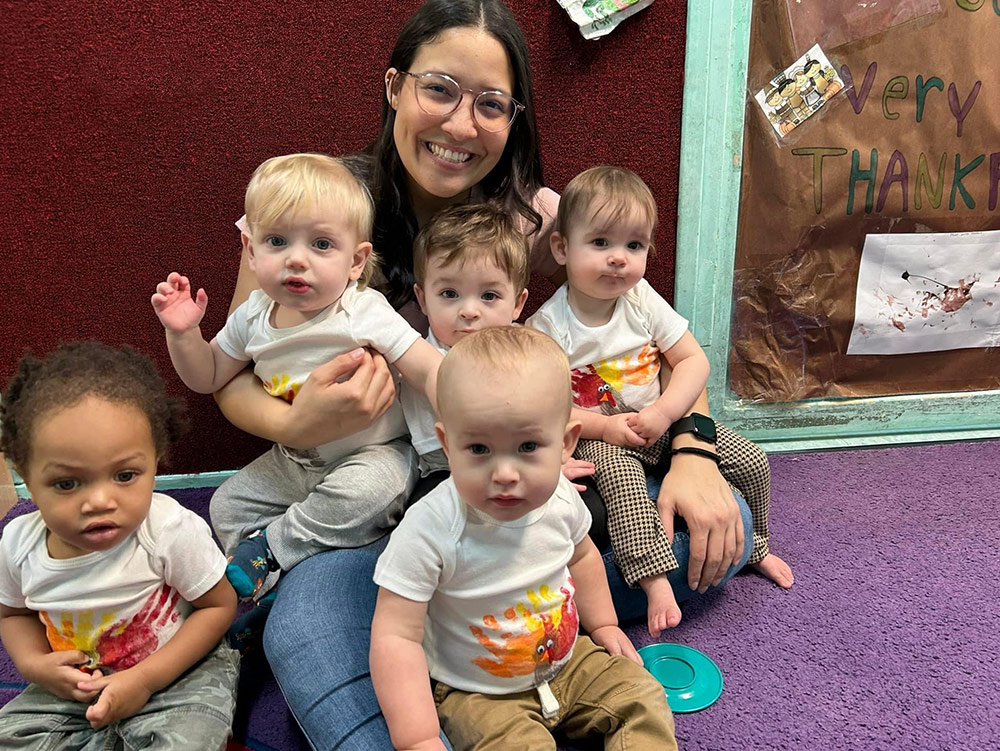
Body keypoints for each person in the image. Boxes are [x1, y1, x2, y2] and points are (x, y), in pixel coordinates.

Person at [210, 1, 758, 747]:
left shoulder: (541, 219)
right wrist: (293, 423)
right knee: (311, 620)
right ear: (395, 86)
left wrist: (693, 447)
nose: (462, 124)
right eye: (440, 88)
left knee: (716, 524)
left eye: (490, 104)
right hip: (371, 508)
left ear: (514, 118)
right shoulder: (317, 202)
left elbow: (651, 336)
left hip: (515, 487)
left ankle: (501, 636)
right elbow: (229, 372)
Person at [150, 153, 442, 605]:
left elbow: (430, 370)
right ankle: (260, 589)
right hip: (293, 459)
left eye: (322, 245)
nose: (296, 261)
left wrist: (486, 410)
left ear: (356, 261)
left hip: (373, 453)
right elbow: (206, 376)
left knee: (373, 493)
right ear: (251, 250)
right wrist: (184, 333)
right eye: (277, 241)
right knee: (225, 505)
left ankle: (273, 549)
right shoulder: (253, 317)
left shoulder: (362, 311)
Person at [371, 326, 676, 751]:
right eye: (478, 449)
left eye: (528, 446)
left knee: (642, 695)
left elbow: (584, 557)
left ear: (567, 444)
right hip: (478, 692)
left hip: (569, 662)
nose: (505, 474)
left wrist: (603, 623)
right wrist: (418, 736)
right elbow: (395, 636)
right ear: (447, 443)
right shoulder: (429, 528)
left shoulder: (563, 499)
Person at [528, 166, 794, 637]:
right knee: (625, 485)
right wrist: (607, 428)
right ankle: (654, 581)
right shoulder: (548, 328)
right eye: (601, 243)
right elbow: (545, 410)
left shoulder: (642, 300)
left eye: (634, 246)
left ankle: (756, 546)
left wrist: (665, 413)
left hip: (660, 422)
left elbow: (692, 362)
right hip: (600, 436)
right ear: (561, 248)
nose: (618, 260)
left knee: (751, 459)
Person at [0, 341, 239, 750]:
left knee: (192, 738)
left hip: (177, 676)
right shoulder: (18, 544)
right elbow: (13, 615)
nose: (99, 502)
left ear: (155, 458)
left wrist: (145, 680)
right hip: (73, 689)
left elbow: (218, 607)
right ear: (25, 475)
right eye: (67, 483)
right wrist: (36, 665)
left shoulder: (167, 530)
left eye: (125, 475)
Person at [402, 201, 530, 496]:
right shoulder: (416, 355)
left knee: (590, 511)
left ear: (518, 304)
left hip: (519, 463)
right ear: (422, 300)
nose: (469, 310)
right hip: (442, 469)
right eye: (449, 293)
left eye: (489, 295)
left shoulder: (529, 351)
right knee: (431, 515)